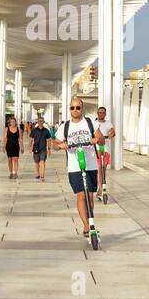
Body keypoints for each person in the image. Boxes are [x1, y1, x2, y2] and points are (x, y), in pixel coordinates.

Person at [52, 99, 103, 239]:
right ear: (69, 109)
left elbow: (102, 139)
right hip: (75, 166)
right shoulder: (65, 126)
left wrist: (97, 139)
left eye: (78, 107)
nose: (75, 110)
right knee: (81, 194)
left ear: (82, 108)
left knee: (90, 196)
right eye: (72, 108)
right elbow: (54, 144)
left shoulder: (90, 123)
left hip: (91, 164)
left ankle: (89, 222)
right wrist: (60, 145)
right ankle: (88, 227)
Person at [94, 105, 116, 200]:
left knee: (103, 169)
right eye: (99, 112)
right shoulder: (94, 123)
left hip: (106, 150)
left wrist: (111, 133)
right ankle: (100, 190)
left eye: (103, 112)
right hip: (97, 149)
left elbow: (112, 131)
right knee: (99, 169)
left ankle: (102, 187)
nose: (101, 114)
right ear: (97, 113)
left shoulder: (108, 123)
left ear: (105, 114)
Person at [30, 114, 50, 181]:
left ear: (43, 122)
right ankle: (37, 173)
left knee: (42, 162)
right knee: (36, 162)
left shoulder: (46, 130)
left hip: (43, 149)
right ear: (37, 122)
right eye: (39, 121)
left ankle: (42, 175)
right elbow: (30, 138)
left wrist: (49, 149)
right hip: (36, 148)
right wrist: (30, 147)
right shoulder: (34, 130)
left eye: (42, 121)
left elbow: (49, 139)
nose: (40, 122)